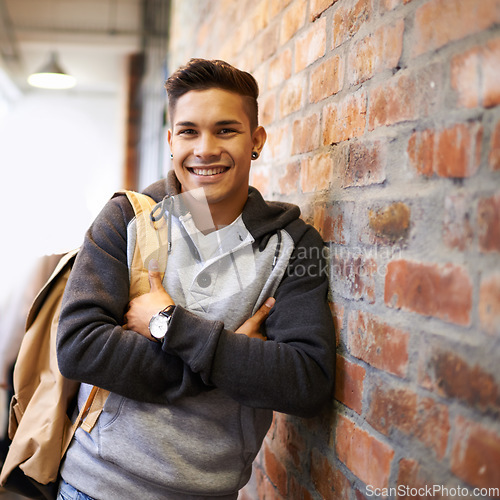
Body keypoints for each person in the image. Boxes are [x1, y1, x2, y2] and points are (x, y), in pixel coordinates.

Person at [56, 58, 335, 500]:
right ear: (171, 140)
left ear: (256, 140)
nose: (204, 148)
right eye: (189, 131)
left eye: (226, 130)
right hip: (97, 487)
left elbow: (306, 381)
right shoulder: (128, 218)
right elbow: (79, 347)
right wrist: (227, 360)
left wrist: (169, 323)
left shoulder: (294, 245)